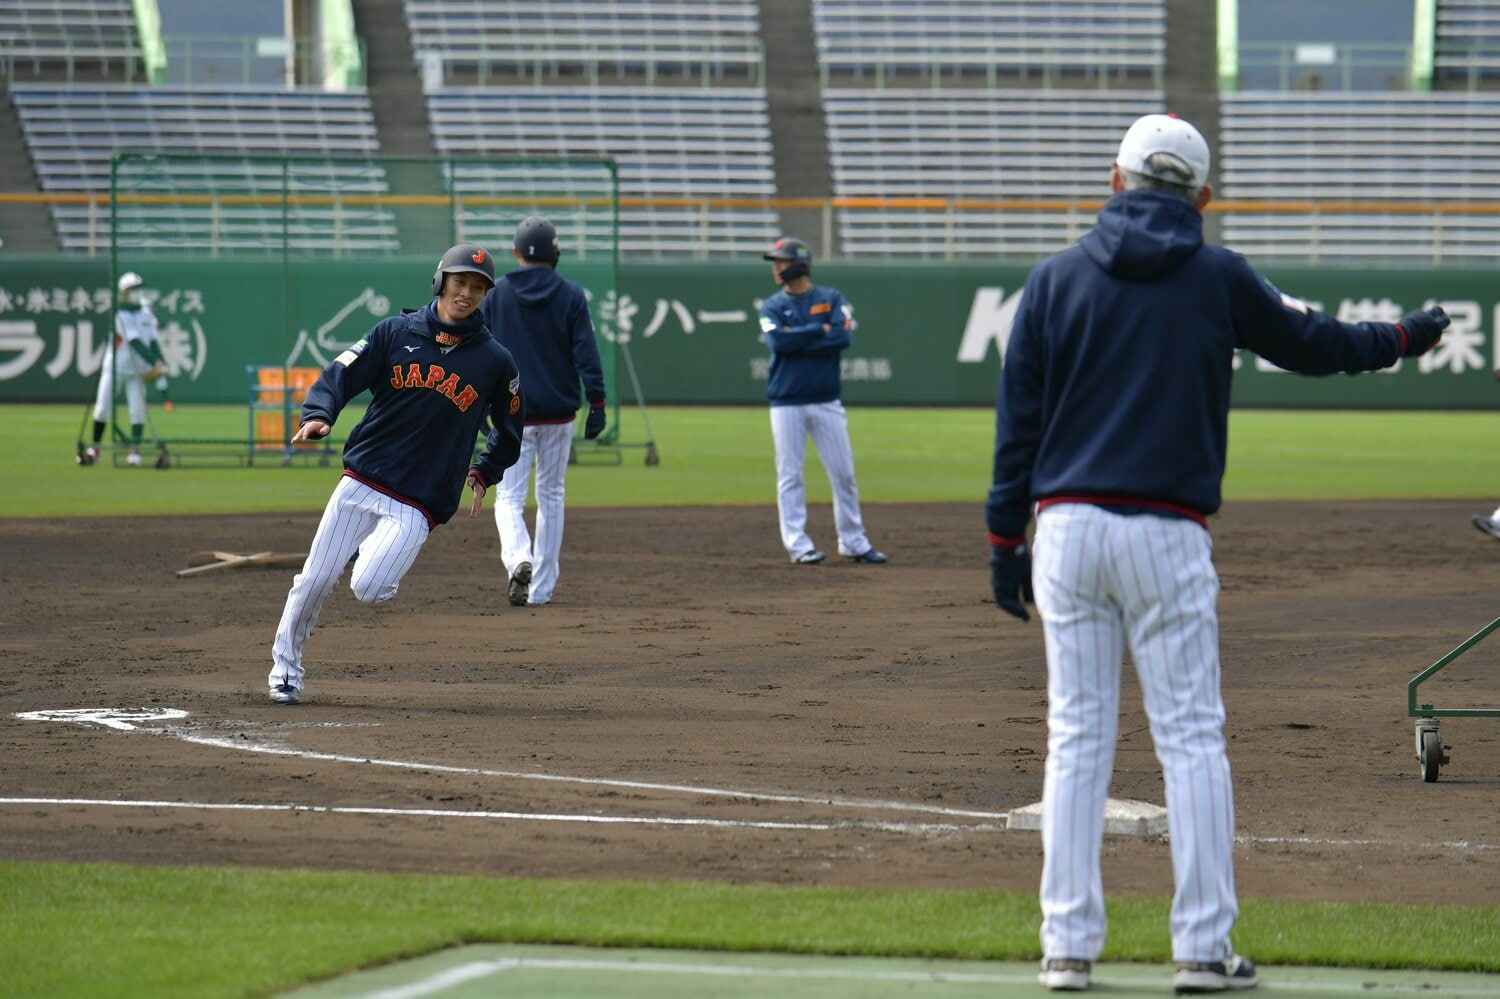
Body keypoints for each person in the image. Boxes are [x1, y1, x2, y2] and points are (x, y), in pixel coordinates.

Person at [986, 113, 1449, 994]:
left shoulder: (1051, 282)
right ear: (1202, 197)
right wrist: (1406, 336)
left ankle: (1067, 950)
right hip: (1167, 531)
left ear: (1113, 181)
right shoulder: (1217, 278)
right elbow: (1319, 347)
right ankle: (1201, 950)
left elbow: (1018, 429)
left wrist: (1004, 540)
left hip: (1069, 529)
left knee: (1076, 736)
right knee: (1192, 738)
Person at [266, 243, 524, 704]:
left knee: (369, 588)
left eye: (479, 286)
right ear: (441, 280)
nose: (467, 292)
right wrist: (319, 413)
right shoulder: (394, 332)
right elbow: (340, 373)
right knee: (314, 580)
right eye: (461, 281)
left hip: (419, 500)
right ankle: (285, 671)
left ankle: (362, 553)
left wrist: (486, 471)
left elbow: (510, 427)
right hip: (363, 479)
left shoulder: (495, 361)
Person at [479, 216, 607, 607]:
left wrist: (481, 404)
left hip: (512, 412)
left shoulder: (496, 294)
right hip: (558, 413)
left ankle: (519, 558)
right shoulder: (571, 294)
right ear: (555, 254)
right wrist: (597, 401)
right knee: (551, 495)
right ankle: (542, 590)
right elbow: (586, 352)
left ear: (516, 252)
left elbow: (480, 352)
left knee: (509, 498)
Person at [758, 236, 886, 565]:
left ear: (799, 264)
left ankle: (854, 541)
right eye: (775, 262)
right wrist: (818, 330)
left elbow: (842, 337)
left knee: (843, 473)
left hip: (826, 400)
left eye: (781, 262)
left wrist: (799, 334)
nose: (776, 268)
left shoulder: (830, 297)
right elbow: (779, 344)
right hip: (786, 402)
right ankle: (798, 545)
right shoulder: (771, 306)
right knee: (790, 475)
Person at [81, 271, 169, 467]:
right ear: (123, 292)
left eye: (139, 288)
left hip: (136, 372)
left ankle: (134, 452)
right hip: (115, 369)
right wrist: (155, 362)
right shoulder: (120, 315)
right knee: (102, 409)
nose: (137, 292)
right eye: (133, 289)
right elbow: (135, 342)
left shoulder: (146, 313)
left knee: (137, 412)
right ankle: (95, 449)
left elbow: (152, 341)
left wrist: (160, 360)